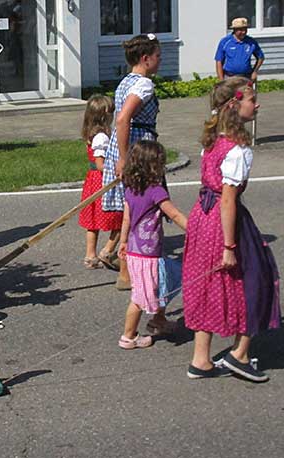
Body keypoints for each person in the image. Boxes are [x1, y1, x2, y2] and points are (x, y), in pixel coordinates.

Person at [182, 77, 281, 381]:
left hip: (202, 216)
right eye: (253, 99)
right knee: (258, 278)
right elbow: (228, 200)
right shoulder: (238, 150)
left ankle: (201, 359)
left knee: (209, 284)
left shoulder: (213, 142)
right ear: (236, 105)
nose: (257, 104)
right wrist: (229, 246)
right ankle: (239, 354)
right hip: (224, 221)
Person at [102, 33, 162, 290]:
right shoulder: (143, 85)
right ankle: (127, 271)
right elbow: (123, 118)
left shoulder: (127, 80)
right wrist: (125, 159)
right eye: (158, 56)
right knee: (141, 207)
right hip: (138, 148)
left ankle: (124, 263)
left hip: (128, 143)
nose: (161, 60)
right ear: (146, 59)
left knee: (133, 207)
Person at [117, 140, 187, 349]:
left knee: (167, 279)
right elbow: (173, 214)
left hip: (135, 250)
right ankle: (128, 336)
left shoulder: (131, 190)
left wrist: (122, 241)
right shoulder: (156, 191)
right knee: (139, 297)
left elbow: (126, 219)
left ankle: (159, 319)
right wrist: (196, 230)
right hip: (148, 255)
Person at [78, 95, 122, 269]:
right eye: (111, 112)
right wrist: (117, 171)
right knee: (121, 216)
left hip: (93, 180)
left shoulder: (91, 134)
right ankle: (107, 251)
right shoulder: (101, 137)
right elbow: (100, 164)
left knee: (93, 219)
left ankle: (90, 255)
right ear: (105, 116)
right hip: (102, 180)